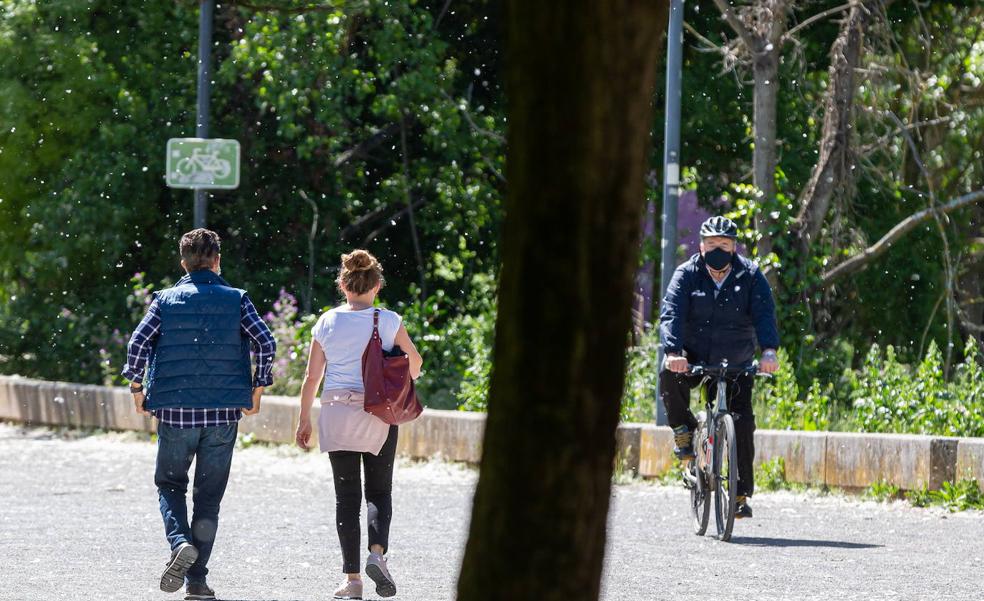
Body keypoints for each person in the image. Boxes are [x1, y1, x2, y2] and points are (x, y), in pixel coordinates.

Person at [122, 228, 276, 601]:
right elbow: (266, 342)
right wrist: (256, 389)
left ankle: (178, 543)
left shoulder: (165, 300)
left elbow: (138, 343)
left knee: (171, 484)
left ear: (183, 262)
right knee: (208, 498)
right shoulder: (237, 299)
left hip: (174, 411)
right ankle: (197, 582)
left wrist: (137, 389)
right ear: (217, 260)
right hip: (223, 414)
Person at [295, 249, 422, 600]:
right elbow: (415, 364)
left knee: (346, 498)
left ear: (342, 284)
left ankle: (352, 581)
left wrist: (304, 418)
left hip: (336, 413)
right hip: (377, 413)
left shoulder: (327, 322)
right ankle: (376, 554)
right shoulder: (389, 320)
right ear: (377, 285)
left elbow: (311, 377)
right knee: (379, 491)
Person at [659, 216, 780, 519]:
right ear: (701, 246)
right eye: (712, 245)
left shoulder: (751, 275)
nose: (717, 250)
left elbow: (765, 314)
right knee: (667, 373)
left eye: (724, 245)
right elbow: (671, 313)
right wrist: (674, 351)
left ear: (733, 247)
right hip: (692, 354)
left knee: (742, 423)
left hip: (735, 357)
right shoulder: (686, 274)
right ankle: (683, 432)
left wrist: (768, 352)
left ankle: (739, 495)